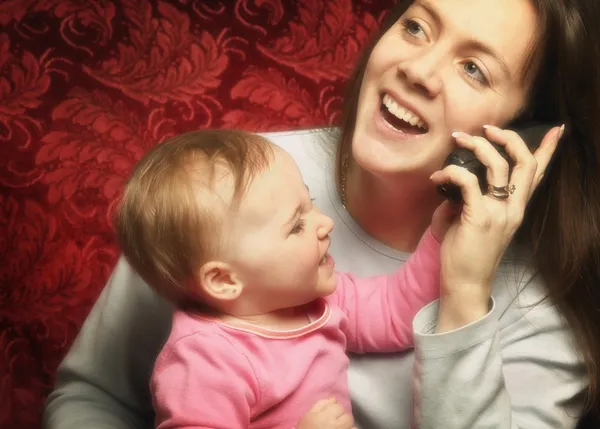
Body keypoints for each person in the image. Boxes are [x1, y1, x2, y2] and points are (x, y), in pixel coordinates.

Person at [44, 0, 600, 428]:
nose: (418, 70)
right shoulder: (221, 191)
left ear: (525, 135)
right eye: (415, 27)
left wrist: (465, 291)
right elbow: (94, 397)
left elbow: (389, 309)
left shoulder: (539, 304)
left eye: (475, 69)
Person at [115, 129, 445, 428]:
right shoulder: (206, 360)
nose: (325, 223)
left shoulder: (311, 297)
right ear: (224, 279)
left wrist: (441, 238)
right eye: (296, 225)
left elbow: (394, 311)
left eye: (310, 204)